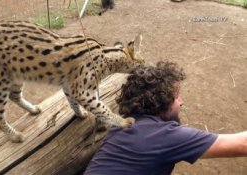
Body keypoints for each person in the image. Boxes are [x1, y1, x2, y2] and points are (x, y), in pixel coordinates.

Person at [84, 61, 247, 175]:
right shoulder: (163, 136)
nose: (182, 102)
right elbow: (243, 144)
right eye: (177, 97)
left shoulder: (120, 128)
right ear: (162, 101)